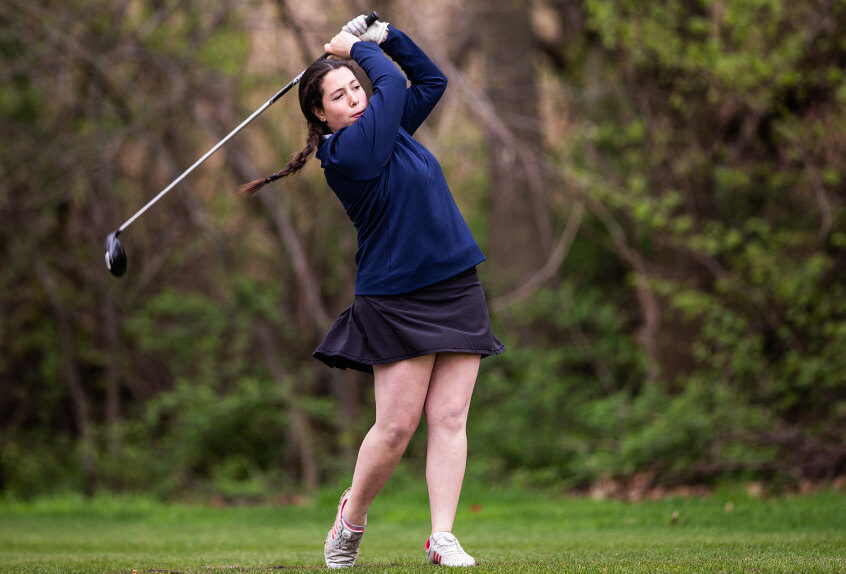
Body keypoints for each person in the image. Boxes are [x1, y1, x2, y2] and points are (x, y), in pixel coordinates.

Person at [239, 14, 505, 569]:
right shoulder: (346, 156)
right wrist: (358, 49)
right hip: (396, 296)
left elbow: (430, 82)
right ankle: (351, 517)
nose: (354, 97)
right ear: (320, 112)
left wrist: (384, 39)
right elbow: (390, 85)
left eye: (355, 87)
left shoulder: (391, 128)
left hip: (454, 281)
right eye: (340, 94)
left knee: (451, 416)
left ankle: (442, 536)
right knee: (396, 427)